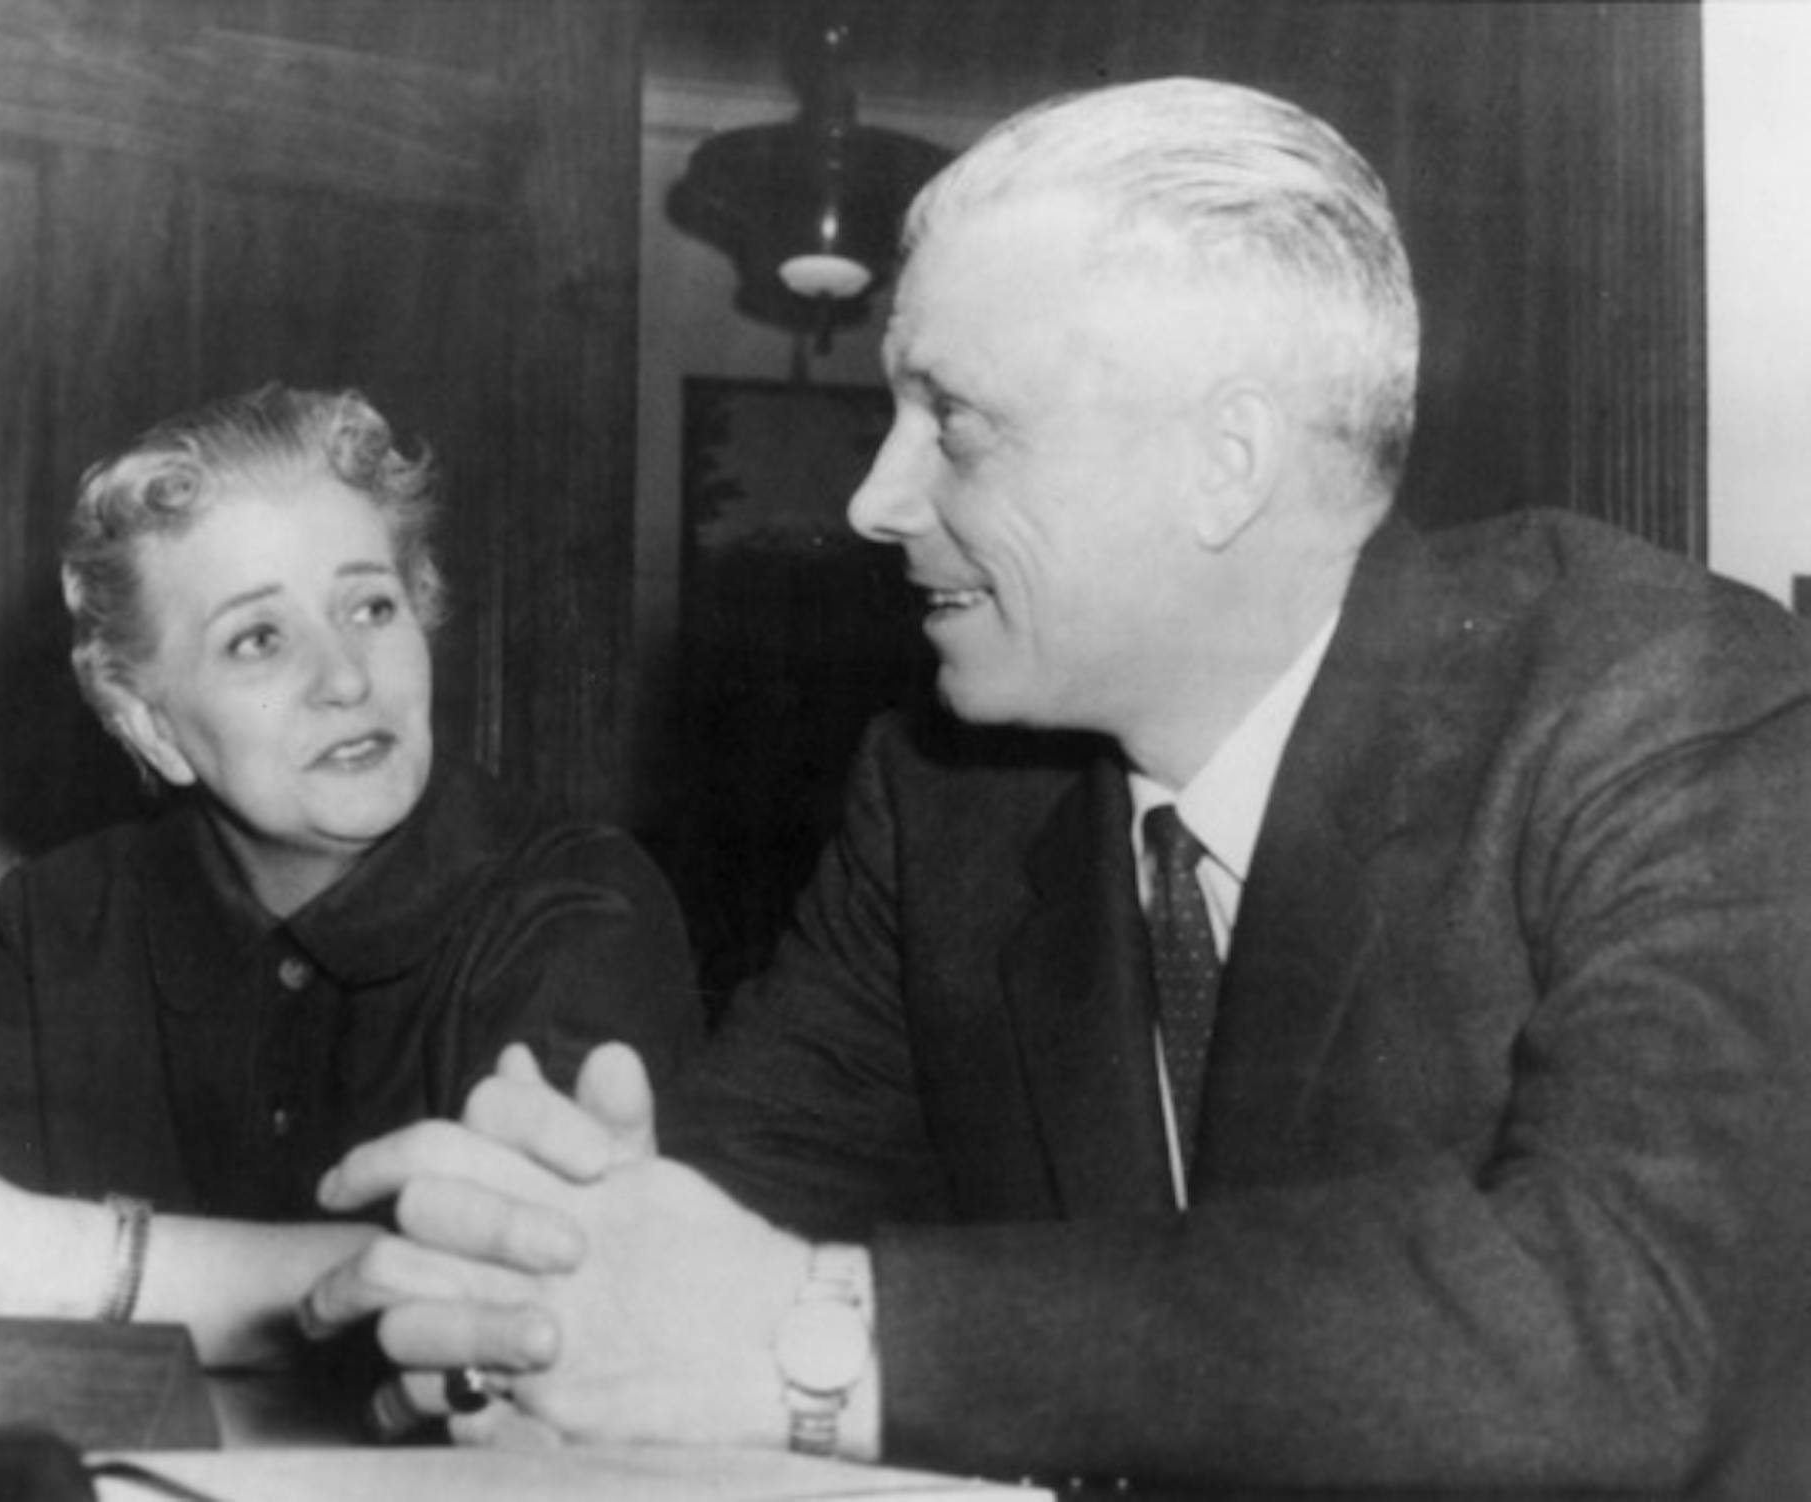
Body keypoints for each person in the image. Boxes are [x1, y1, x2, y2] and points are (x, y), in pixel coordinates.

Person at [295, 78, 1811, 1491]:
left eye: (956, 420)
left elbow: (1622, 1324)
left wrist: (814, 1338)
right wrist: (559, 1264)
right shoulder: (947, 793)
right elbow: (730, 1204)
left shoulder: (1663, 703)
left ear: (1224, 461)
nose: (875, 500)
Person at [0, 385, 700, 1377]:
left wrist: (83, 1262)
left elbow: (541, 1298)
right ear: (149, 723)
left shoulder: (578, 901)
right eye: (259, 638)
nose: (347, 676)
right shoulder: (62, 919)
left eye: (371, 605)